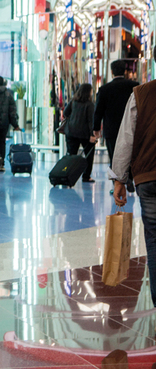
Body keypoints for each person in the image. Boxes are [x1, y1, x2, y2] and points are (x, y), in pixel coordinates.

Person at [111, 77, 156, 310]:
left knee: (154, 239)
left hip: (148, 177)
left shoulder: (141, 94)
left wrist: (119, 178)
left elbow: (126, 138)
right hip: (147, 176)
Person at [94, 60, 138, 190]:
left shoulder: (104, 89)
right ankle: (130, 178)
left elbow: (98, 110)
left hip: (111, 129)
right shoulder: (134, 86)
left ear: (112, 71)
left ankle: (117, 185)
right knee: (131, 154)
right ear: (124, 71)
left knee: (114, 156)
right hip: (131, 127)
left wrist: (96, 128)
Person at [63, 83, 97, 183]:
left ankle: (66, 174)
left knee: (71, 155)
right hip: (84, 134)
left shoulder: (73, 101)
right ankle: (86, 176)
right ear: (88, 92)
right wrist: (92, 135)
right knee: (89, 156)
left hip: (71, 132)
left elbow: (65, 113)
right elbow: (90, 121)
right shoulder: (89, 105)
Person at [0, 76, 20, 173]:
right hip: (5, 122)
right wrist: (15, 125)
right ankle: (2, 165)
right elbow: (12, 111)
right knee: (2, 142)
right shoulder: (8, 93)